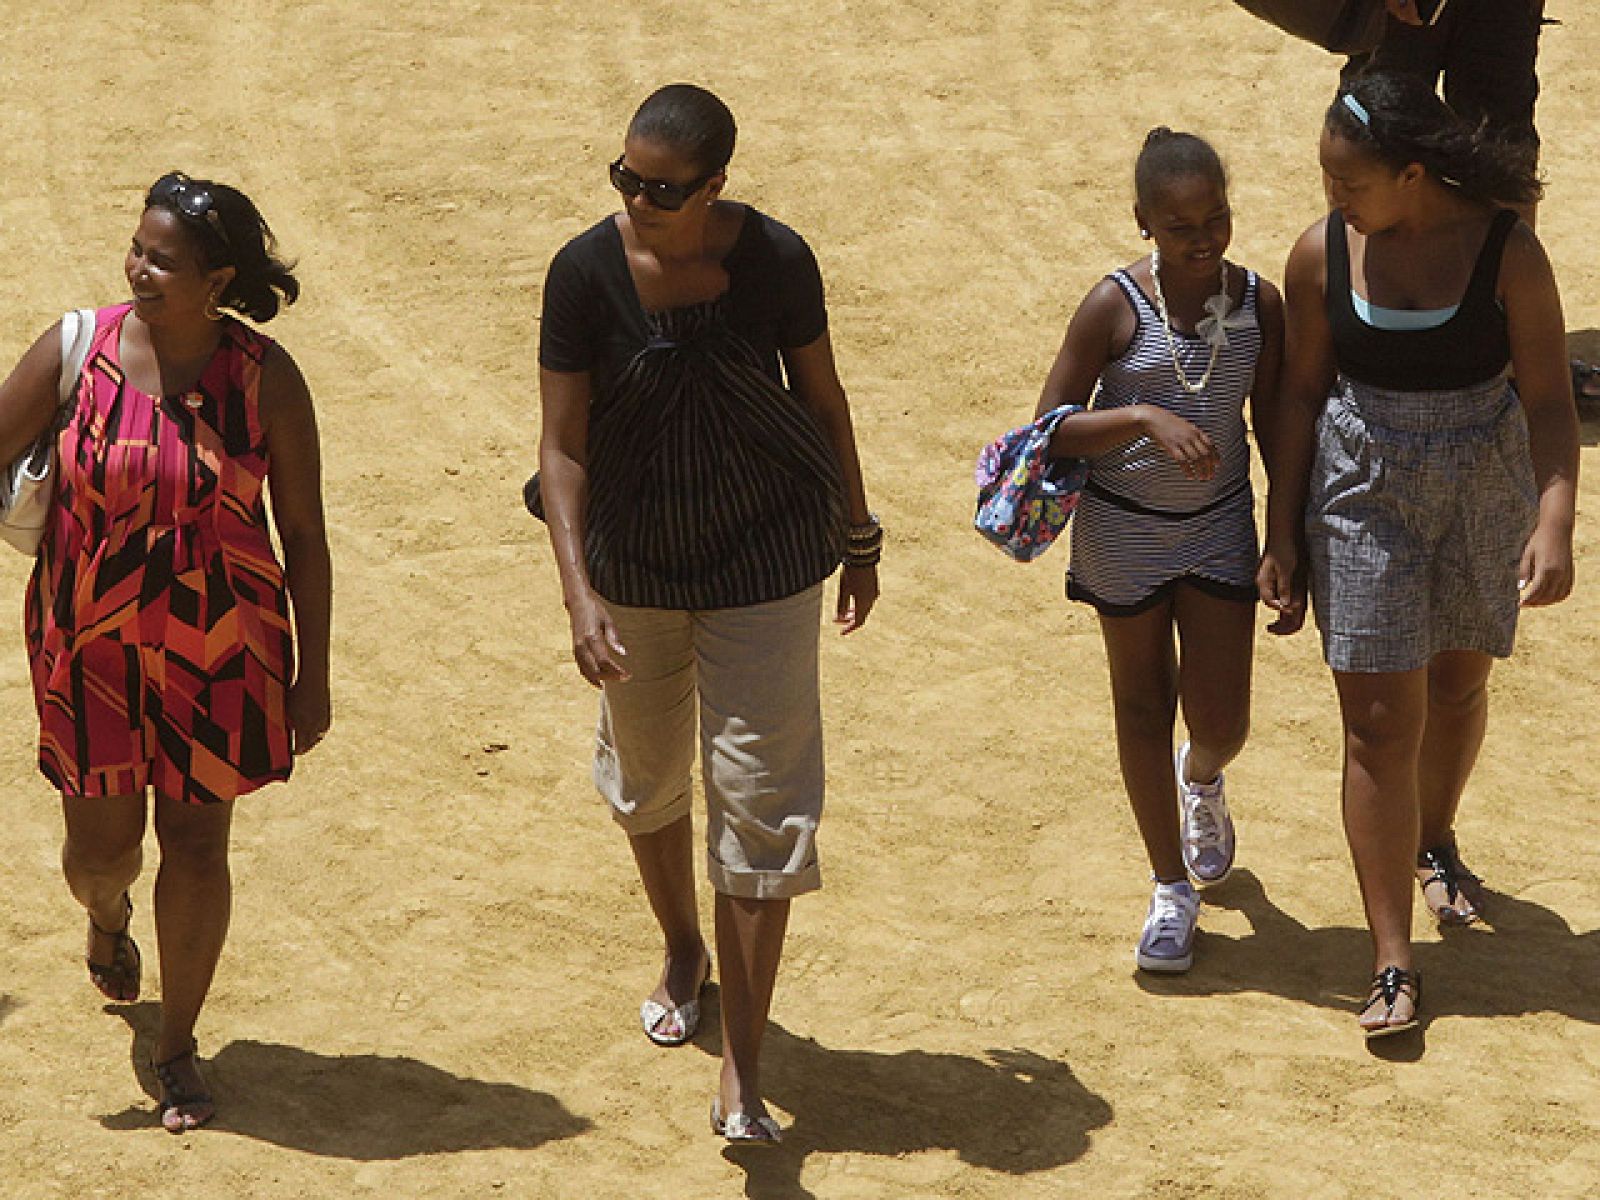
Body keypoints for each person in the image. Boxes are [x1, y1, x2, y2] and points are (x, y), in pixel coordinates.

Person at [535, 84, 879, 1144]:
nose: (636, 200)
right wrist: (579, 596)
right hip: (632, 564)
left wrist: (858, 536)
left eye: (661, 188)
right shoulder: (583, 274)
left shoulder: (776, 260)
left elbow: (822, 401)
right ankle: (684, 946)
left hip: (765, 555)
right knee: (646, 781)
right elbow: (561, 447)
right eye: (625, 179)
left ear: (715, 185)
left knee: (763, 809)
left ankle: (743, 1066)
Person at [0, 173, 333, 1128]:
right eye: (137, 251)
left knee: (196, 842)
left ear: (217, 281)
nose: (139, 270)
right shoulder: (77, 349)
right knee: (99, 853)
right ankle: (106, 918)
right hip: (89, 647)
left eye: (163, 261)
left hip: (222, 648)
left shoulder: (266, 379)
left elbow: (303, 537)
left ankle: (177, 1042)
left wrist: (311, 677)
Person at [1258, 72, 1577, 1038]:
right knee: (1378, 723)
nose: (1333, 198)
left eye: (1348, 182)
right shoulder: (1319, 253)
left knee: (1458, 686)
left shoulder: (1507, 251)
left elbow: (1549, 399)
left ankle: (1434, 840)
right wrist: (1283, 531)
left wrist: (1554, 518)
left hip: (1484, 481)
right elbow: (1300, 395)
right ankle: (1392, 956)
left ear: (1411, 174)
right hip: (1362, 489)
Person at [1031, 129, 1283, 974]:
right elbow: (1050, 429)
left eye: (1217, 218)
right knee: (1141, 706)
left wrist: (1285, 537)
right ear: (1143, 221)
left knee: (1222, 719)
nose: (1203, 239)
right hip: (1122, 531)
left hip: (1219, 528)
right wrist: (1142, 417)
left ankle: (1201, 778)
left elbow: (1278, 421)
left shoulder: (1260, 304)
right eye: (1180, 227)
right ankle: (1171, 886)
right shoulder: (1111, 308)